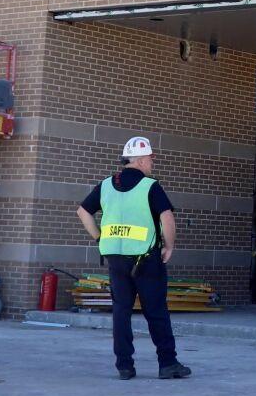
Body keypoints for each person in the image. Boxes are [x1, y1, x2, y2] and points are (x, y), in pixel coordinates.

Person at [77, 136, 192, 380]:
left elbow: (83, 211)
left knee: (121, 311)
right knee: (156, 311)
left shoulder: (106, 185)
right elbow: (167, 218)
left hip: (115, 258)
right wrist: (169, 246)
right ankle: (167, 363)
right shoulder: (150, 186)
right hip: (145, 259)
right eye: (150, 158)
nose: (152, 163)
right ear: (139, 160)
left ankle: (124, 366)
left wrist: (99, 237)